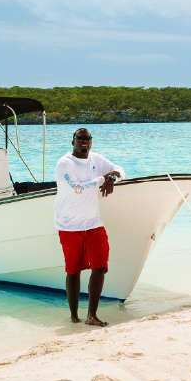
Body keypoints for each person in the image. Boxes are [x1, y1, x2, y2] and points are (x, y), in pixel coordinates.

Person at [54, 128, 124, 326]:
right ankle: (74, 315)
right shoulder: (64, 164)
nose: (84, 141)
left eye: (87, 138)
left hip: (93, 223)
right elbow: (77, 189)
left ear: (91, 142)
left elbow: (119, 169)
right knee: (73, 270)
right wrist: (103, 179)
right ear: (73, 141)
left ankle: (92, 316)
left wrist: (112, 178)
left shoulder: (95, 158)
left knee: (100, 266)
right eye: (80, 138)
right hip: (69, 225)